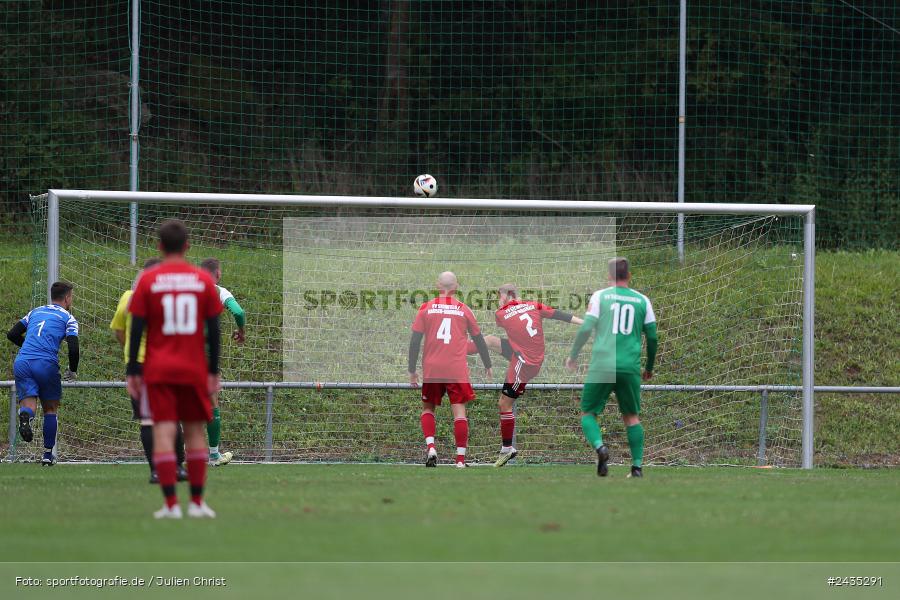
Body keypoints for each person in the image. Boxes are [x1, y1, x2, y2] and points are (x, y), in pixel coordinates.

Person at [127, 219, 223, 518]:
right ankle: (196, 503)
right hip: (193, 369)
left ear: (159, 246)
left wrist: (132, 370)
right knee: (194, 432)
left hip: (159, 370)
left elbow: (137, 327)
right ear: (187, 246)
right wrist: (213, 371)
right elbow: (214, 330)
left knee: (164, 431)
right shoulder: (203, 280)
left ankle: (170, 505)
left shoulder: (148, 280)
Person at [469, 284, 583, 467]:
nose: (498, 300)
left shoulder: (501, 313)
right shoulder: (534, 305)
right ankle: (458, 349)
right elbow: (560, 315)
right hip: (527, 353)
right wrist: (585, 322)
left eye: (499, 296)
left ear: (506, 296)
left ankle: (507, 448)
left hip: (525, 364)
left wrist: (506, 306)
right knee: (489, 340)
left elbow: (507, 318)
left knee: (504, 403)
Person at [566, 258, 658, 478]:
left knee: (588, 413)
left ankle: (600, 447)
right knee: (632, 417)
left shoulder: (600, 296)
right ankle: (637, 467)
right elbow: (653, 337)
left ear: (609, 276)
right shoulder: (643, 300)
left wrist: (573, 355)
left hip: (602, 364)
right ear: (629, 275)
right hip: (629, 367)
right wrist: (649, 367)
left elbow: (586, 328)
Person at [110, 257, 187, 483]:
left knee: (147, 419)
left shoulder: (129, 297)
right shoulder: (170, 298)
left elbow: (119, 331)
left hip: (140, 366)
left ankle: (156, 471)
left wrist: (130, 353)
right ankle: (178, 468)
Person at [408, 272, 492, 467]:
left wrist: (412, 369)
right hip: (456, 369)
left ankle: (431, 448)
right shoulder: (464, 309)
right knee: (459, 413)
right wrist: (487, 364)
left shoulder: (426, 308)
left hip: (432, 368)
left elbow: (415, 341)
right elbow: (479, 340)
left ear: (437, 285)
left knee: (428, 408)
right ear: (456, 287)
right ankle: (460, 461)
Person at [6, 282, 79, 466]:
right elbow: (73, 347)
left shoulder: (35, 312)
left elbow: (12, 334)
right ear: (67, 298)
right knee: (50, 410)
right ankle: (47, 455)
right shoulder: (68, 318)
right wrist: (72, 370)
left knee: (29, 405)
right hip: (45, 364)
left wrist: (28, 347)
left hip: (23, 361)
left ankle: (26, 416)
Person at [199, 258, 245, 467]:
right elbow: (239, 312)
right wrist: (241, 331)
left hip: (180, 355)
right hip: (206, 359)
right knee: (211, 405)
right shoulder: (219, 292)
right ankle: (214, 455)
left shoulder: (185, 290)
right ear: (217, 273)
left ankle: (180, 455)